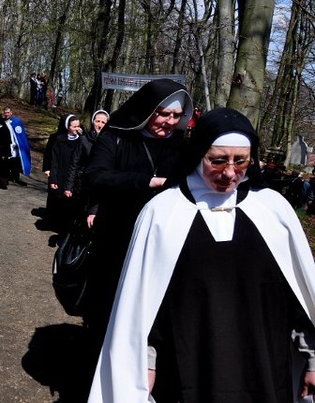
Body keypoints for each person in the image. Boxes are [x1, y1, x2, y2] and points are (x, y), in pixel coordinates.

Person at [89, 107, 315, 403]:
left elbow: (299, 298)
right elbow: (142, 305)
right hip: (186, 372)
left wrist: (312, 356)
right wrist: (145, 362)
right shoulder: (163, 212)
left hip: (264, 371)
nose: (230, 172)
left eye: (241, 161)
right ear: (198, 154)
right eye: (218, 161)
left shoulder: (274, 211)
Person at [82, 78, 192, 342]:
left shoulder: (182, 146)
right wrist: (147, 182)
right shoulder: (117, 137)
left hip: (163, 242)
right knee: (109, 309)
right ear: (147, 110)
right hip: (117, 238)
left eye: (177, 115)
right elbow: (94, 177)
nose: (170, 121)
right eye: (164, 114)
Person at [64, 109, 110, 228]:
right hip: (82, 184)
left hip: (98, 186)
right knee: (77, 217)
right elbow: (74, 163)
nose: (99, 125)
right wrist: (69, 186)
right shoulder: (84, 139)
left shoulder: (109, 142)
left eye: (103, 122)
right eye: (97, 121)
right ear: (93, 121)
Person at [47, 114, 82, 233]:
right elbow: (55, 160)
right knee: (59, 200)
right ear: (68, 127)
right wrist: (53, 179)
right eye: (74, 126)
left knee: (70, 202)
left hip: (73, 175)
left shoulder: (81, 140)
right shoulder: (60, 139)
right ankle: (56, 224)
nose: (77, 128)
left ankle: (65, 227)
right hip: (61, 173)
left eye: (78, 126)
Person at [3, 106, 32, 186]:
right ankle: (6, 176)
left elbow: (20, 135)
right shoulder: (3, 122)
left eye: (8, 113)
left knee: (16, 161)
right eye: (5, 113)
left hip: (15, 146)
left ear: (11, 113)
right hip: (7, 145)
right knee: (7, 160)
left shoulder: (17, 122)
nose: (6, 114)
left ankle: (15, 177)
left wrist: (16, 144)